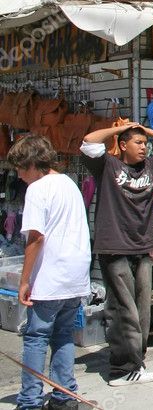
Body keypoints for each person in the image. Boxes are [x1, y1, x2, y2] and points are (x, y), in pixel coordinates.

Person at [81, 122, 153, 387]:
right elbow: (89, 141)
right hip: (114, 247)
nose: (143, 147)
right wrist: (121, 129)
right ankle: (121, 369)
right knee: (121, 308)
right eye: (137, 143)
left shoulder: (152, 165)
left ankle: (136, 362)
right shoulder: (107, 166)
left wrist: (147, 131)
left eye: (145, 144)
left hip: (143, 247)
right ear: (123, 145)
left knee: (142, 310)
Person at [9, 135, 91, 410]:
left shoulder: (38, 189)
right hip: (75, 275)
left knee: (36, 338)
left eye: (20, 168)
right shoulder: (69, 183)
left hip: (50, 276)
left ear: (33, 163)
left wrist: (24, 280)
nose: (19, 176)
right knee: (63, 336)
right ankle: (64, 396)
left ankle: (30, 401)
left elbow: (36, 237)